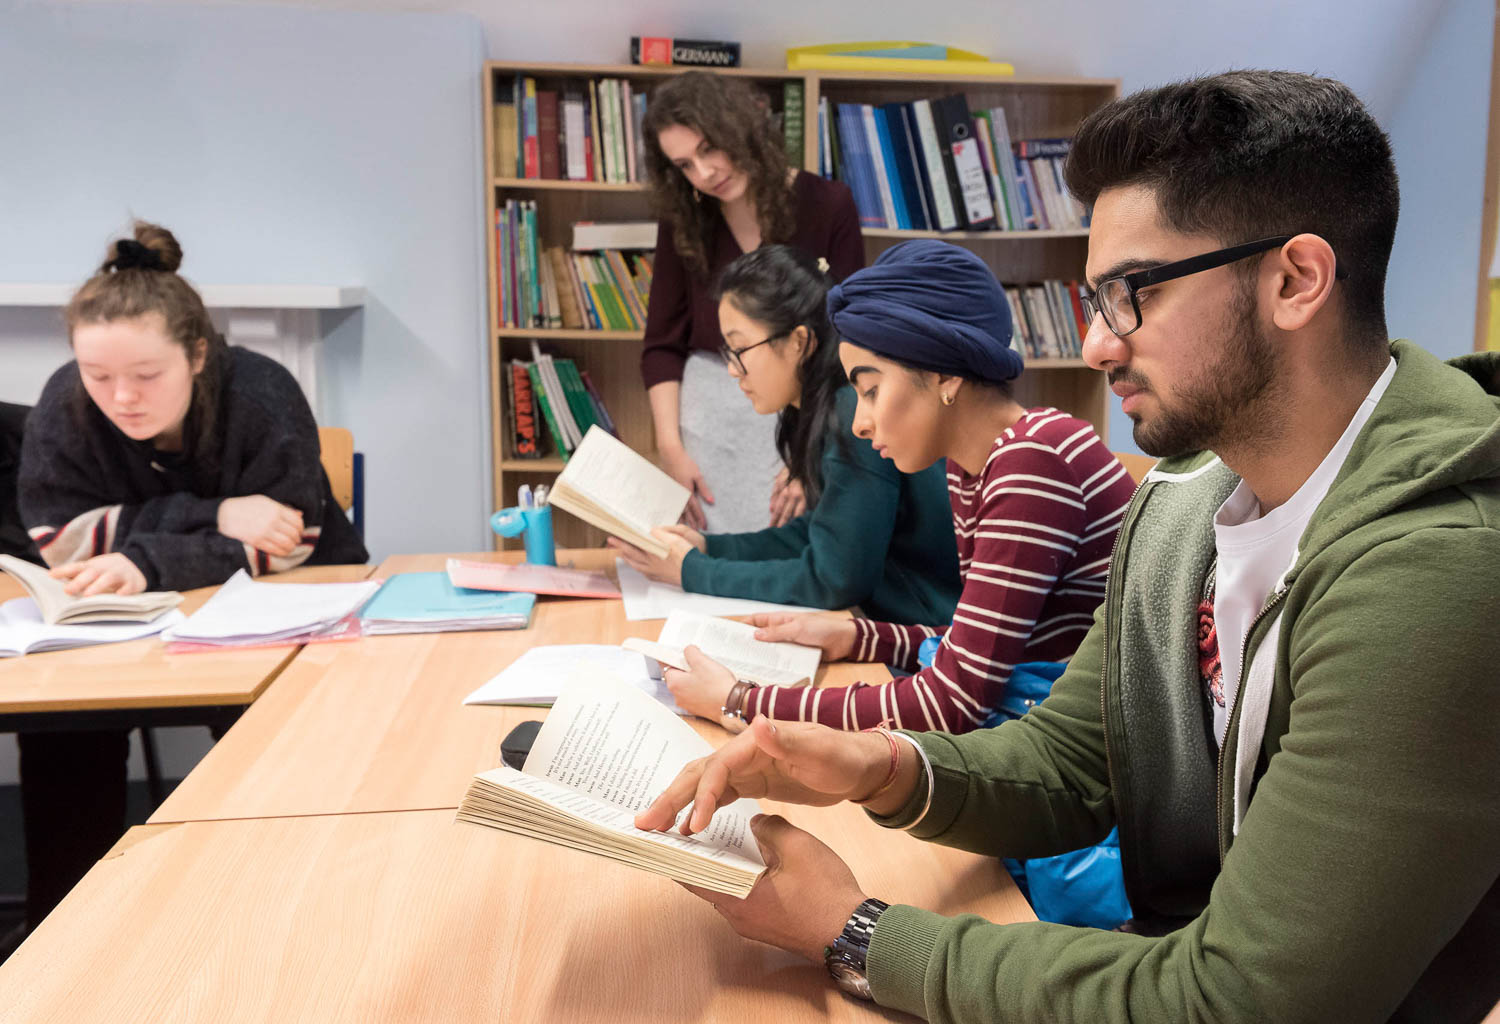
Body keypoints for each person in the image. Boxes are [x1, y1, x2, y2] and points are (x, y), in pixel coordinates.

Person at [634, 71, 1500, 1022]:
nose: (1093, 345)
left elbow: (1243, 999)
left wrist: (858, 932)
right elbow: (1075, 760)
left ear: (1295, 280)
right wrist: (879, 766)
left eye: (1130, 294)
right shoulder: (1183, 500)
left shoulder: (1437, 571)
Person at [14, 221, 368, 931]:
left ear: (198, 354)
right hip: (124, 629)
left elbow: (290, 544)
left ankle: (279, 917)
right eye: (98, 375)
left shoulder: (262, 393)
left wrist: (143, 552)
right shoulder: (65, 402)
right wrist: (220, 513)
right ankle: (66, 928)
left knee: (271, 738)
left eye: (147, 376)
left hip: (280, 617)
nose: (122, 398)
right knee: (62, 730)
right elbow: (64, 541)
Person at [650, 240, 1134, 740]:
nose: (859, 422)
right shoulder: (975, 468)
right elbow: (981, 647)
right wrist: (861, 636)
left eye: (871, 390)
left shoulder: (1032, 461)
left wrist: (742, 700)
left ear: (945, 373)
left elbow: (954, 701)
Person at [611, 245, 961, 627]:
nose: (732, 369)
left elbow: (834, 580)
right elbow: (816, 536)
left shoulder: (852, 412)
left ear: (799, 341)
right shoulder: (820, 406)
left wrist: (691, 572)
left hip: (929, 638)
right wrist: (709, 548)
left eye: (740, 348)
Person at [640, 71, 864, 533]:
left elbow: (850, 339)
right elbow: (662, 345)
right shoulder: (683, 221)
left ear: (739, 129)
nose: (703, 174)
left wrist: (814, 449)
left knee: (798, 567)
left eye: (708, 149)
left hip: (808, 416)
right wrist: (671, 447)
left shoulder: (828, 204)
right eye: (683, 165)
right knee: (708, 575)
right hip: (708, 428)